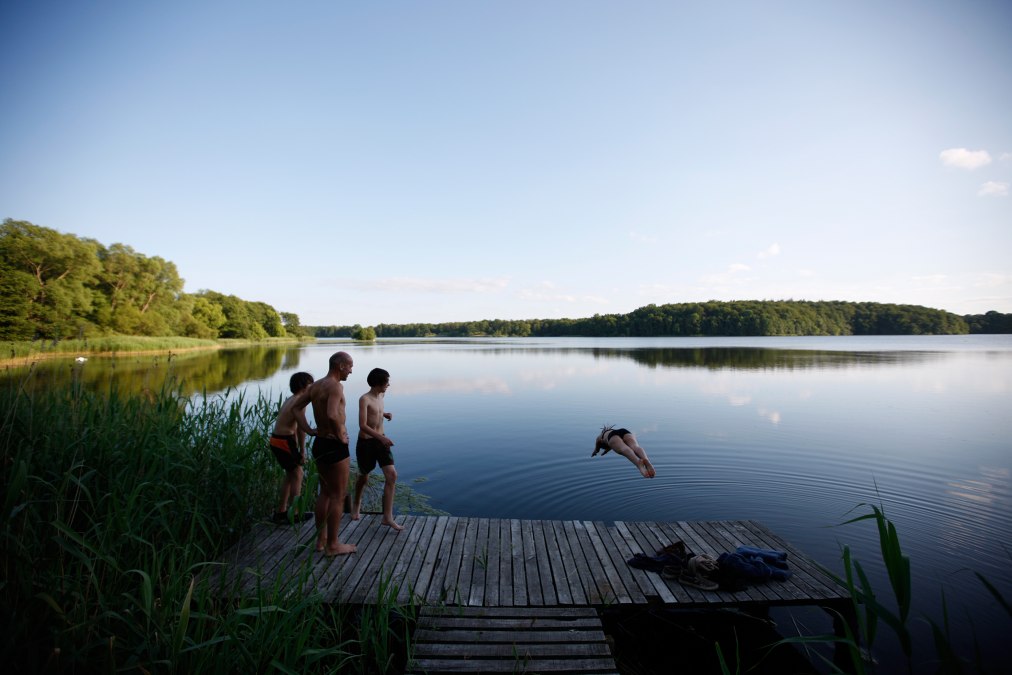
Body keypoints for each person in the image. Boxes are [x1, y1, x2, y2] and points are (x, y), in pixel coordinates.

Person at [309, 351, 357, 555]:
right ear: (340, 366)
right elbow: (331, 413)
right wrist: (340, 435)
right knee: (339, 495)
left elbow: (295, 408)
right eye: (350, 366)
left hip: (319, 442)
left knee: (325, 492)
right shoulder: (335, 385)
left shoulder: (316, 385)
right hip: (334, 444)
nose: (351, 370)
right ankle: (333, 545)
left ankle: (321, 541)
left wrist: (309, 430)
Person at [351, 368, 403, 531]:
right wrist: (381, 438)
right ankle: (357, 502)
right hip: (367, 443)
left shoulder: (381, 395)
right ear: (378, 383)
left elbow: (377, 412)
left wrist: (385, 414)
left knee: (392, 475)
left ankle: (387, 517)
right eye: (386, 382)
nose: (388, 384)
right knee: (364, 477)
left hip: (381, 441)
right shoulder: (364, 399)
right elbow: (363, 425)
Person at [268, 371, 317, 523]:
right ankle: (294, 513)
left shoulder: (291, 399)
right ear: (304, 385)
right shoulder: (300, 402)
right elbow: (302, 428)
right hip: (283, 440)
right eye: (311, 383)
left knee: (290, 475)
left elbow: (294, 426)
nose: (313, 386)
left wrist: (297, 446)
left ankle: (281, 511)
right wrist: (303, 450)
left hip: (277, 439)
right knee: (298, 473)